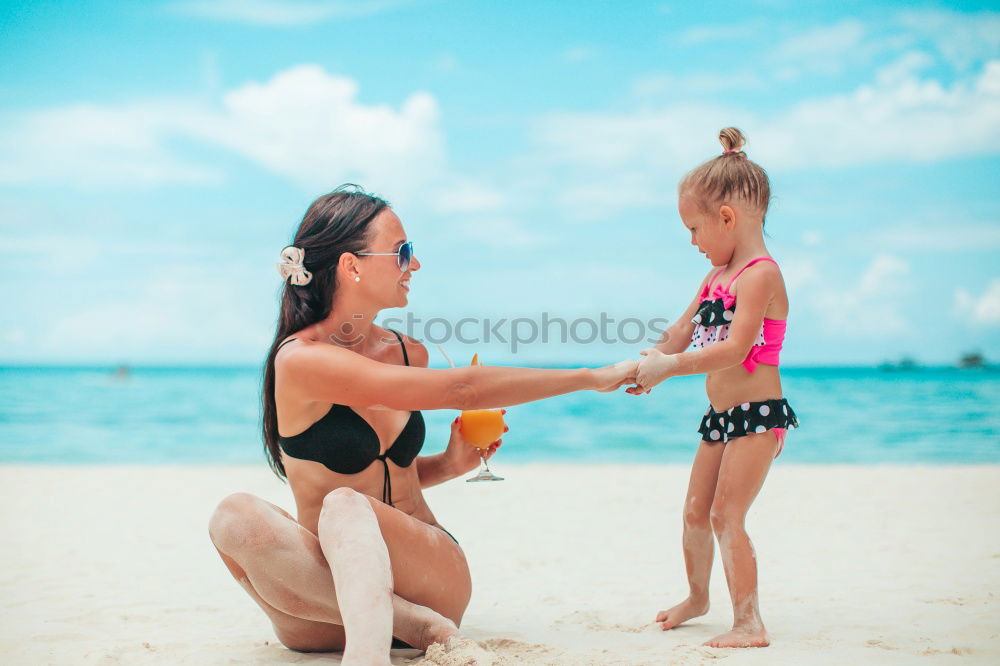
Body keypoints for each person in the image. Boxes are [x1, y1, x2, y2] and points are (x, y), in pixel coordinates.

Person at [207, 184, 637, 666]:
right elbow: (463, 390)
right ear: (352, 266)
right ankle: (415, 627)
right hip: (323, 609)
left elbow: (398, 478)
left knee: (348, 506)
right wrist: (590, 377)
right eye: (403, 252)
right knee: (235, 514)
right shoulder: (301, 361)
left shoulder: (411, 353)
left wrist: (453, 463)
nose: (414, 265)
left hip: (429, 575)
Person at [630, 128, 799, 648]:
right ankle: (698, 597)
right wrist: (648, 361)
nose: (693, 241)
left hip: (758, 417)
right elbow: (682, 330)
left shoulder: (760, 275)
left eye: (695, 228)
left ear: (727, 217)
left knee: (728, 515)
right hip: (720, 418)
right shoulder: (715, 278)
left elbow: (734, 350)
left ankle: (750, 622)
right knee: (694, 512)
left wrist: (670, 367)